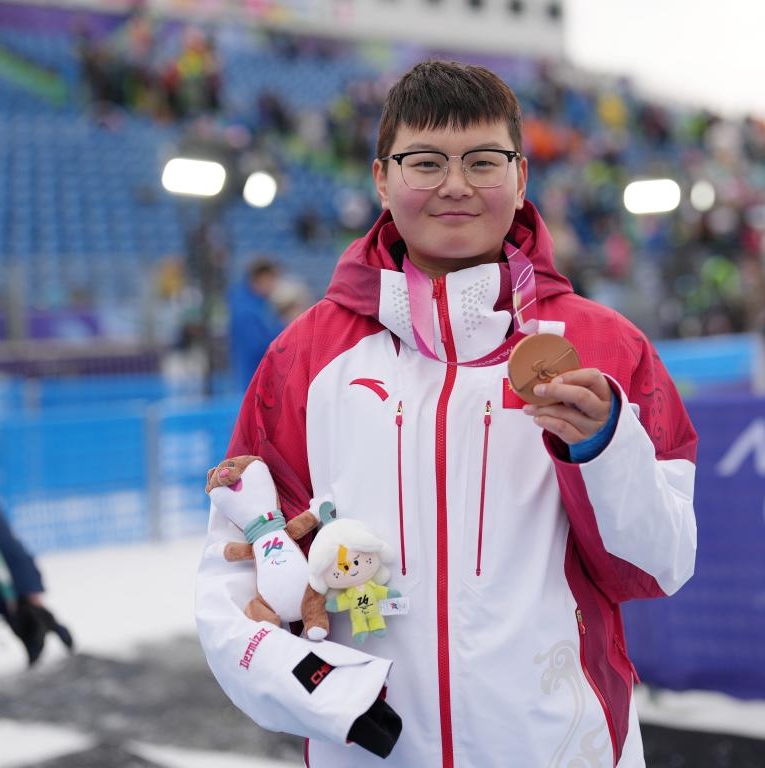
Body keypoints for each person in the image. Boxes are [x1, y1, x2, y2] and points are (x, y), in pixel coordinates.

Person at [195, 60, 698, 767]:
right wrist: (334, 696)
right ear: (381, 179)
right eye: (426, 162)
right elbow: (235, 565)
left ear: (521, 177)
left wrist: (605, 449)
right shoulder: (303, 357)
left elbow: (661, 564)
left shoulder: (608, 348)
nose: (456, 185)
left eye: (483, 161)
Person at [0, 479, 73, 666]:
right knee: (18, 603)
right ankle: (49, 635)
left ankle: (38, 641)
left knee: (16, 605)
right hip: (14, 561)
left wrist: (8, 593)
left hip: (12, 564)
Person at [227, 257, 287, 390]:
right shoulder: (246, 310)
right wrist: (287, 329)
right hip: (253, 382)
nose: (274, 285)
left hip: (255, 381)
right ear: (261, 278)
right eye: (271, 279)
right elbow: (258, 347)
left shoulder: (257, 304)